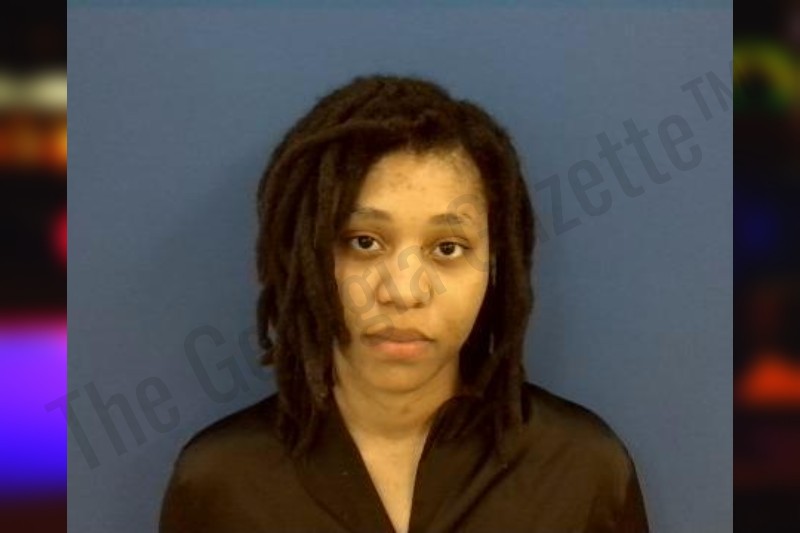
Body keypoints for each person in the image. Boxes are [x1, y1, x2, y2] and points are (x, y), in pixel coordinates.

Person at [159, 75, 650, 533]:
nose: (403, 292)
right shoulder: (221, 482)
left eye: (447, 248)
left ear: (495, 266)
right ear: (303, 256)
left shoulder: (583, 470)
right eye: (364, 242)